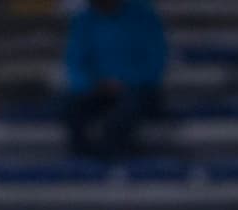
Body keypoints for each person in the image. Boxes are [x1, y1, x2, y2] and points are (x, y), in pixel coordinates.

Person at [62, 0, 167, 160]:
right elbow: (75, 62)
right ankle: (85, 156)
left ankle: (119, 154)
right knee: (70, 106)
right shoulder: (83, 20)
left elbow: (155, 60)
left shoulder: (143, 16)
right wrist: (94, 83)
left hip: (137, 89)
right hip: (97, 89)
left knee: (128, 108)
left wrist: (125, 82)